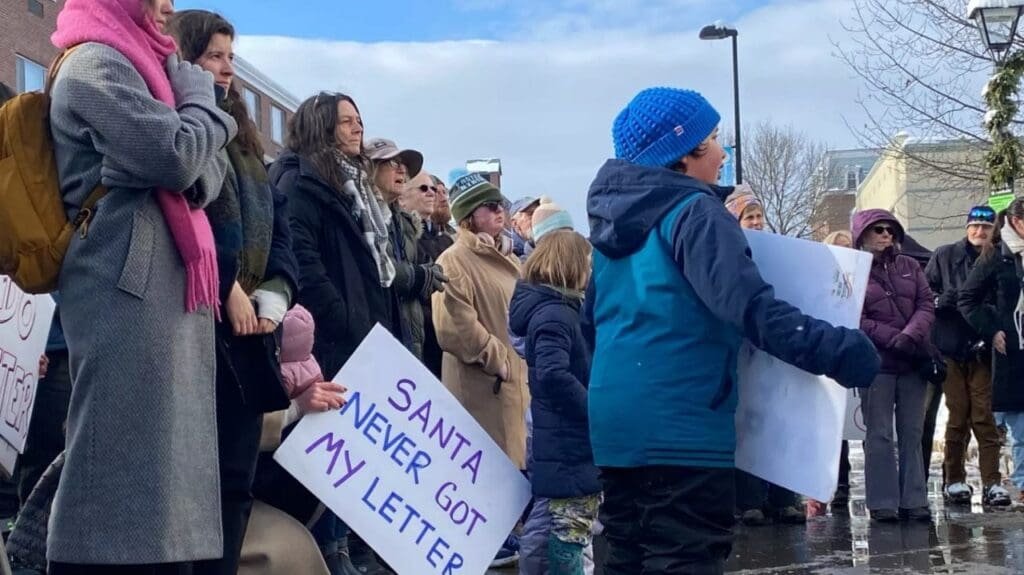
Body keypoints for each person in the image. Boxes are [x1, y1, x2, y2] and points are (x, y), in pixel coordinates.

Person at [586, 87, 878, 574]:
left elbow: (591, 330)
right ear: (684, 153)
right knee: (686, 558)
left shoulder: (610, 230)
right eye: (715, 139)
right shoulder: (694, 214)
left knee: (627, 558)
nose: (723, 153)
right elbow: (750, 309)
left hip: (617, 428)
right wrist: (840, 349)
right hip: (682, 428)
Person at [47, 0, 237, 571]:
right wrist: (200, 107)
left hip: (153, 288)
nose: (167, 8)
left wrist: (178, 150)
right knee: (119, 462)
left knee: (159, 467)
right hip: (122, 289)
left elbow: (205, 174)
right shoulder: (92, 65)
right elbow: (179, 158)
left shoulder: (143, 69)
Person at [166, 11, 301, 574]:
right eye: (212, 56)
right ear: (184, 59)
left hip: (249, 336)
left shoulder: (247, 145)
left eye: (229, 57)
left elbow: (281, 238)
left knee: (234, 483)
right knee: (190, 485)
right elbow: (181, 215)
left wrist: (270, 298)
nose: (225, 69)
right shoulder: (177, 126)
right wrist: (226, 286)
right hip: (194, 328)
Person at [270, 92, 398, 575]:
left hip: (357, 335)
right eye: (346, 122)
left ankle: (347, 546)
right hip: (326, 341)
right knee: (327, 454)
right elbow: (305, 264)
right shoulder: (300, 183)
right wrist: (346, 320)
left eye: (359, 120)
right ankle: (331, 551)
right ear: (321, 127)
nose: (356, 128)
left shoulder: (352, 187)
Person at [433, 172, 529, 567]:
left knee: (511, 457)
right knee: (484, 461)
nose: (500, 211)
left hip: (511, 378)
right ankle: (488, 539)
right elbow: (453, 325)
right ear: (469, 216)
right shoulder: (453, 260)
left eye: (500, 204)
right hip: (483, 382)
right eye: (490, 206)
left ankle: (505, 532)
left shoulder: (507, 257)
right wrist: (499, 359)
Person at [510, 230, 599, 575]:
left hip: (561, 439)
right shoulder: (556, 315)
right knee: (570, 529)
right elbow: (552, 373)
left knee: (551, 522)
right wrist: (593, 408)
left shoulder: (557, 311)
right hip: (567, 440)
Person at [726, 184, 805, 526]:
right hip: (742, 352)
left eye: (759, 216)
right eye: (750, 217)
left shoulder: (782, 254)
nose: (757, 222)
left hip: (776, 350)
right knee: (749, 427)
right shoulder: (729, 254)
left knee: (780, 424)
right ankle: (749, 500)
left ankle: (785, 498)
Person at [853, 209, 935, 523]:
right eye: (878, 229)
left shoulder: (910, 266)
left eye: (890, 229)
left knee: (912, 432)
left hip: (913, 360)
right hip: (877, 363)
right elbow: (855, 317)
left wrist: (910, 335)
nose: (885, 235)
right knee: (879, 434)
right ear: (863, 234)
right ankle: (882, 502)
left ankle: (914, 499)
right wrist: (892, 337)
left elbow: (927, 304)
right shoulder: (854, 271)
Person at [926, 205, 1010, 507]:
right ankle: (954, 479)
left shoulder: (999, 259)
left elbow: (1006, 301)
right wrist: (941, 301)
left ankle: (992, 482)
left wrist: (990, 321)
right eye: (974, 226)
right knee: (957, 414)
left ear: (994, 231)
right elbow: (923, 296)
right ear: (966, 228)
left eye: (986, 228)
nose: (979, 232)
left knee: (984, 416)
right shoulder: (945, 255)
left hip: (983, 348)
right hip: (949, 346)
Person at [960, 198, 1024, 504]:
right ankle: (1022, 483)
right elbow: (967, 299)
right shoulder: (996, 256)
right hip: (1012, 347)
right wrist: (993, 328)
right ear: (1015, 222)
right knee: (1019, 423)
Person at [366, 137, 447, 361]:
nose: (402, 169)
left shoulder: (405, 225)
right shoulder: (359, 216)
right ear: (369, 168)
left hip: (411, 342)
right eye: (391, 163)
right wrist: (419, 277)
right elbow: (374, 272)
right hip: (379, 341)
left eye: (404, 165)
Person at [508, 197, 541, 261]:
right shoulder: (509, 255)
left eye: (538, 213)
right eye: (531, 214)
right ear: (514, 223)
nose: (536, 218)